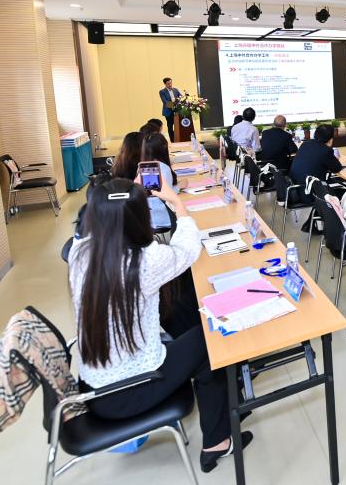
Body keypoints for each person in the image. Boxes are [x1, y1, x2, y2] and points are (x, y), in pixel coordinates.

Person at [67, 175, 250, 473]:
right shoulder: (144, 262)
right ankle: (217, 441)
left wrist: (122, 192)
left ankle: (229, 395)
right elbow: (189, 249)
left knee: (179, 312)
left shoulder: (80, 252)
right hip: (128, 391)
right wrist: (176, 201)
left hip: (95, 383)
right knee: (212, 340)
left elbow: (93, 212)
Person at [141, 132, 179, 231]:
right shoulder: (163, 168)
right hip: (164, 217)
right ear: (164, 148)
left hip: (148, 217)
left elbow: (153, 192)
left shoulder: (142, 168)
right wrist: (180, 186)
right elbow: (166, 195)